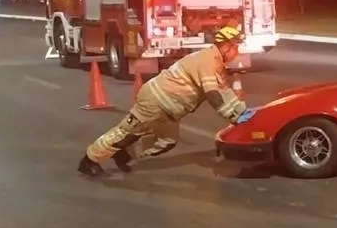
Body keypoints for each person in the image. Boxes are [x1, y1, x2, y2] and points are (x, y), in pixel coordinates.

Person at [78, 26, 249, 177]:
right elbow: (213, 94)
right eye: (236, 48)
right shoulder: (207, 61)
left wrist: (242, 111)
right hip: (155, 100)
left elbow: (224, 91)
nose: (237, 52)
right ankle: (90, 159)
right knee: (126, 132)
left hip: (171, 109)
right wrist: (232, 117)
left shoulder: (217, 64)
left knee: (167, 142)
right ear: (226, 47)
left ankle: (124, 154)